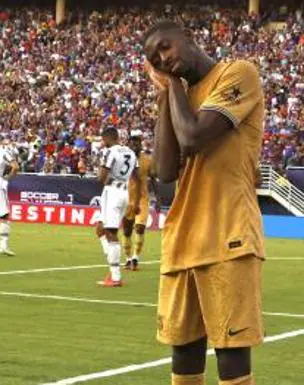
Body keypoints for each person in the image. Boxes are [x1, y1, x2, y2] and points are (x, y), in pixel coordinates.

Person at [144, 20, 264, 385]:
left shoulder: (238, 73)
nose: (163, 58)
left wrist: (174, 88)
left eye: (165, 46)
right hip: (182, 237)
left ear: (188, 37)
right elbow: (165, 171)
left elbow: (194, 138)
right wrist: (167, 95)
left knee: (230, 352)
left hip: (228, 232)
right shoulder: (176, 95)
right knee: (183, 350)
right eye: (154, 58)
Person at [96, 127, 138, 287]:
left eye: (103, 140)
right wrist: (136, 199)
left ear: (107, 138)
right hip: (124, 192)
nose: (102, 143)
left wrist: (102, 178)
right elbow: (137, 176)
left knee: (111, 233)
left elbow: (102, 176)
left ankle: (115, 277)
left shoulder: (110, 152)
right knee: (100, 228)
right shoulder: (131, 152)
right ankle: (111, 261)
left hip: (112, 192)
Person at [121, 134, 152, 270]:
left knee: (139, 228)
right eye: (132, 143)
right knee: (127, 231)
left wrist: (158, 196)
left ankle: (135, 258)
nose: (135, 145)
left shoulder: (147, 160)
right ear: (128, 144)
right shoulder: (122, 160)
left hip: (143, 199)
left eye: (137, 142)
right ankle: (128, 258)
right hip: (127, 199)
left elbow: (153, 177)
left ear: (141, 144)